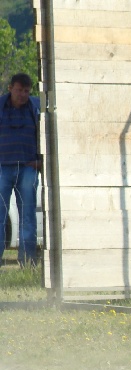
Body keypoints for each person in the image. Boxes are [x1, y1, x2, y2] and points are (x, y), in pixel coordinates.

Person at [0, 73, 41, 267]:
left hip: (27, 168)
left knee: (28, 216)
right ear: (10, 89)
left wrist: (41, 160)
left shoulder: (36, 107)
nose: (22, 95)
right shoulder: (1, 106)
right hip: (2, 168)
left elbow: (46, 134)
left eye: (26, 91)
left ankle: (27, 262)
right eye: (19, 90)